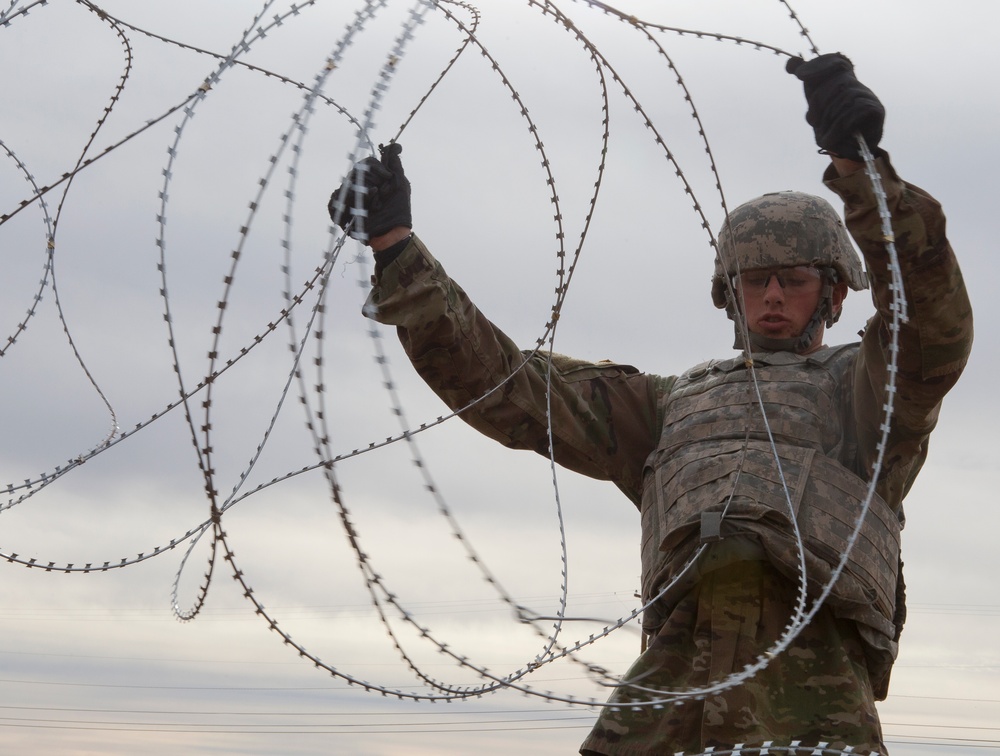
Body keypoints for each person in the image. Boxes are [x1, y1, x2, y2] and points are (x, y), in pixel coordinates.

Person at [329, 54, 972, 754]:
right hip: (672, 699)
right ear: (730, 293)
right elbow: (505, 385)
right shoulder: (666, 408)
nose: (774, 297)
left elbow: (929, 325)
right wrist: (396, 248)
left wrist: (861, 170)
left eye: (792, 279)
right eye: (755, 281)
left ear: (834, 292)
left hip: (812, 701)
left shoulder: (864, 396)